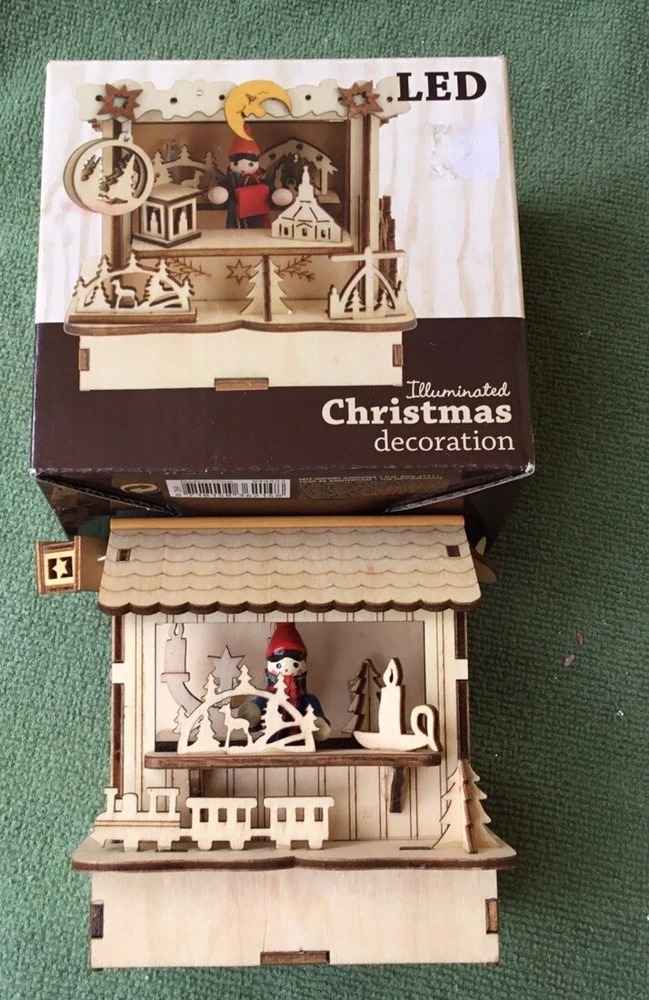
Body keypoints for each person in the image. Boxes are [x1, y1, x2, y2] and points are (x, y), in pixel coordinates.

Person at [207, 135, 292, 229]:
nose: (243, 169)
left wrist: (277, 197)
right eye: (236, 163)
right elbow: (223, 201)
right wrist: (219, 195)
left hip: (257, 218)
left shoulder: (263, 181)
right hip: (235, 220)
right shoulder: (229, 182)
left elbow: (271, 198)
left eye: (250, 164)